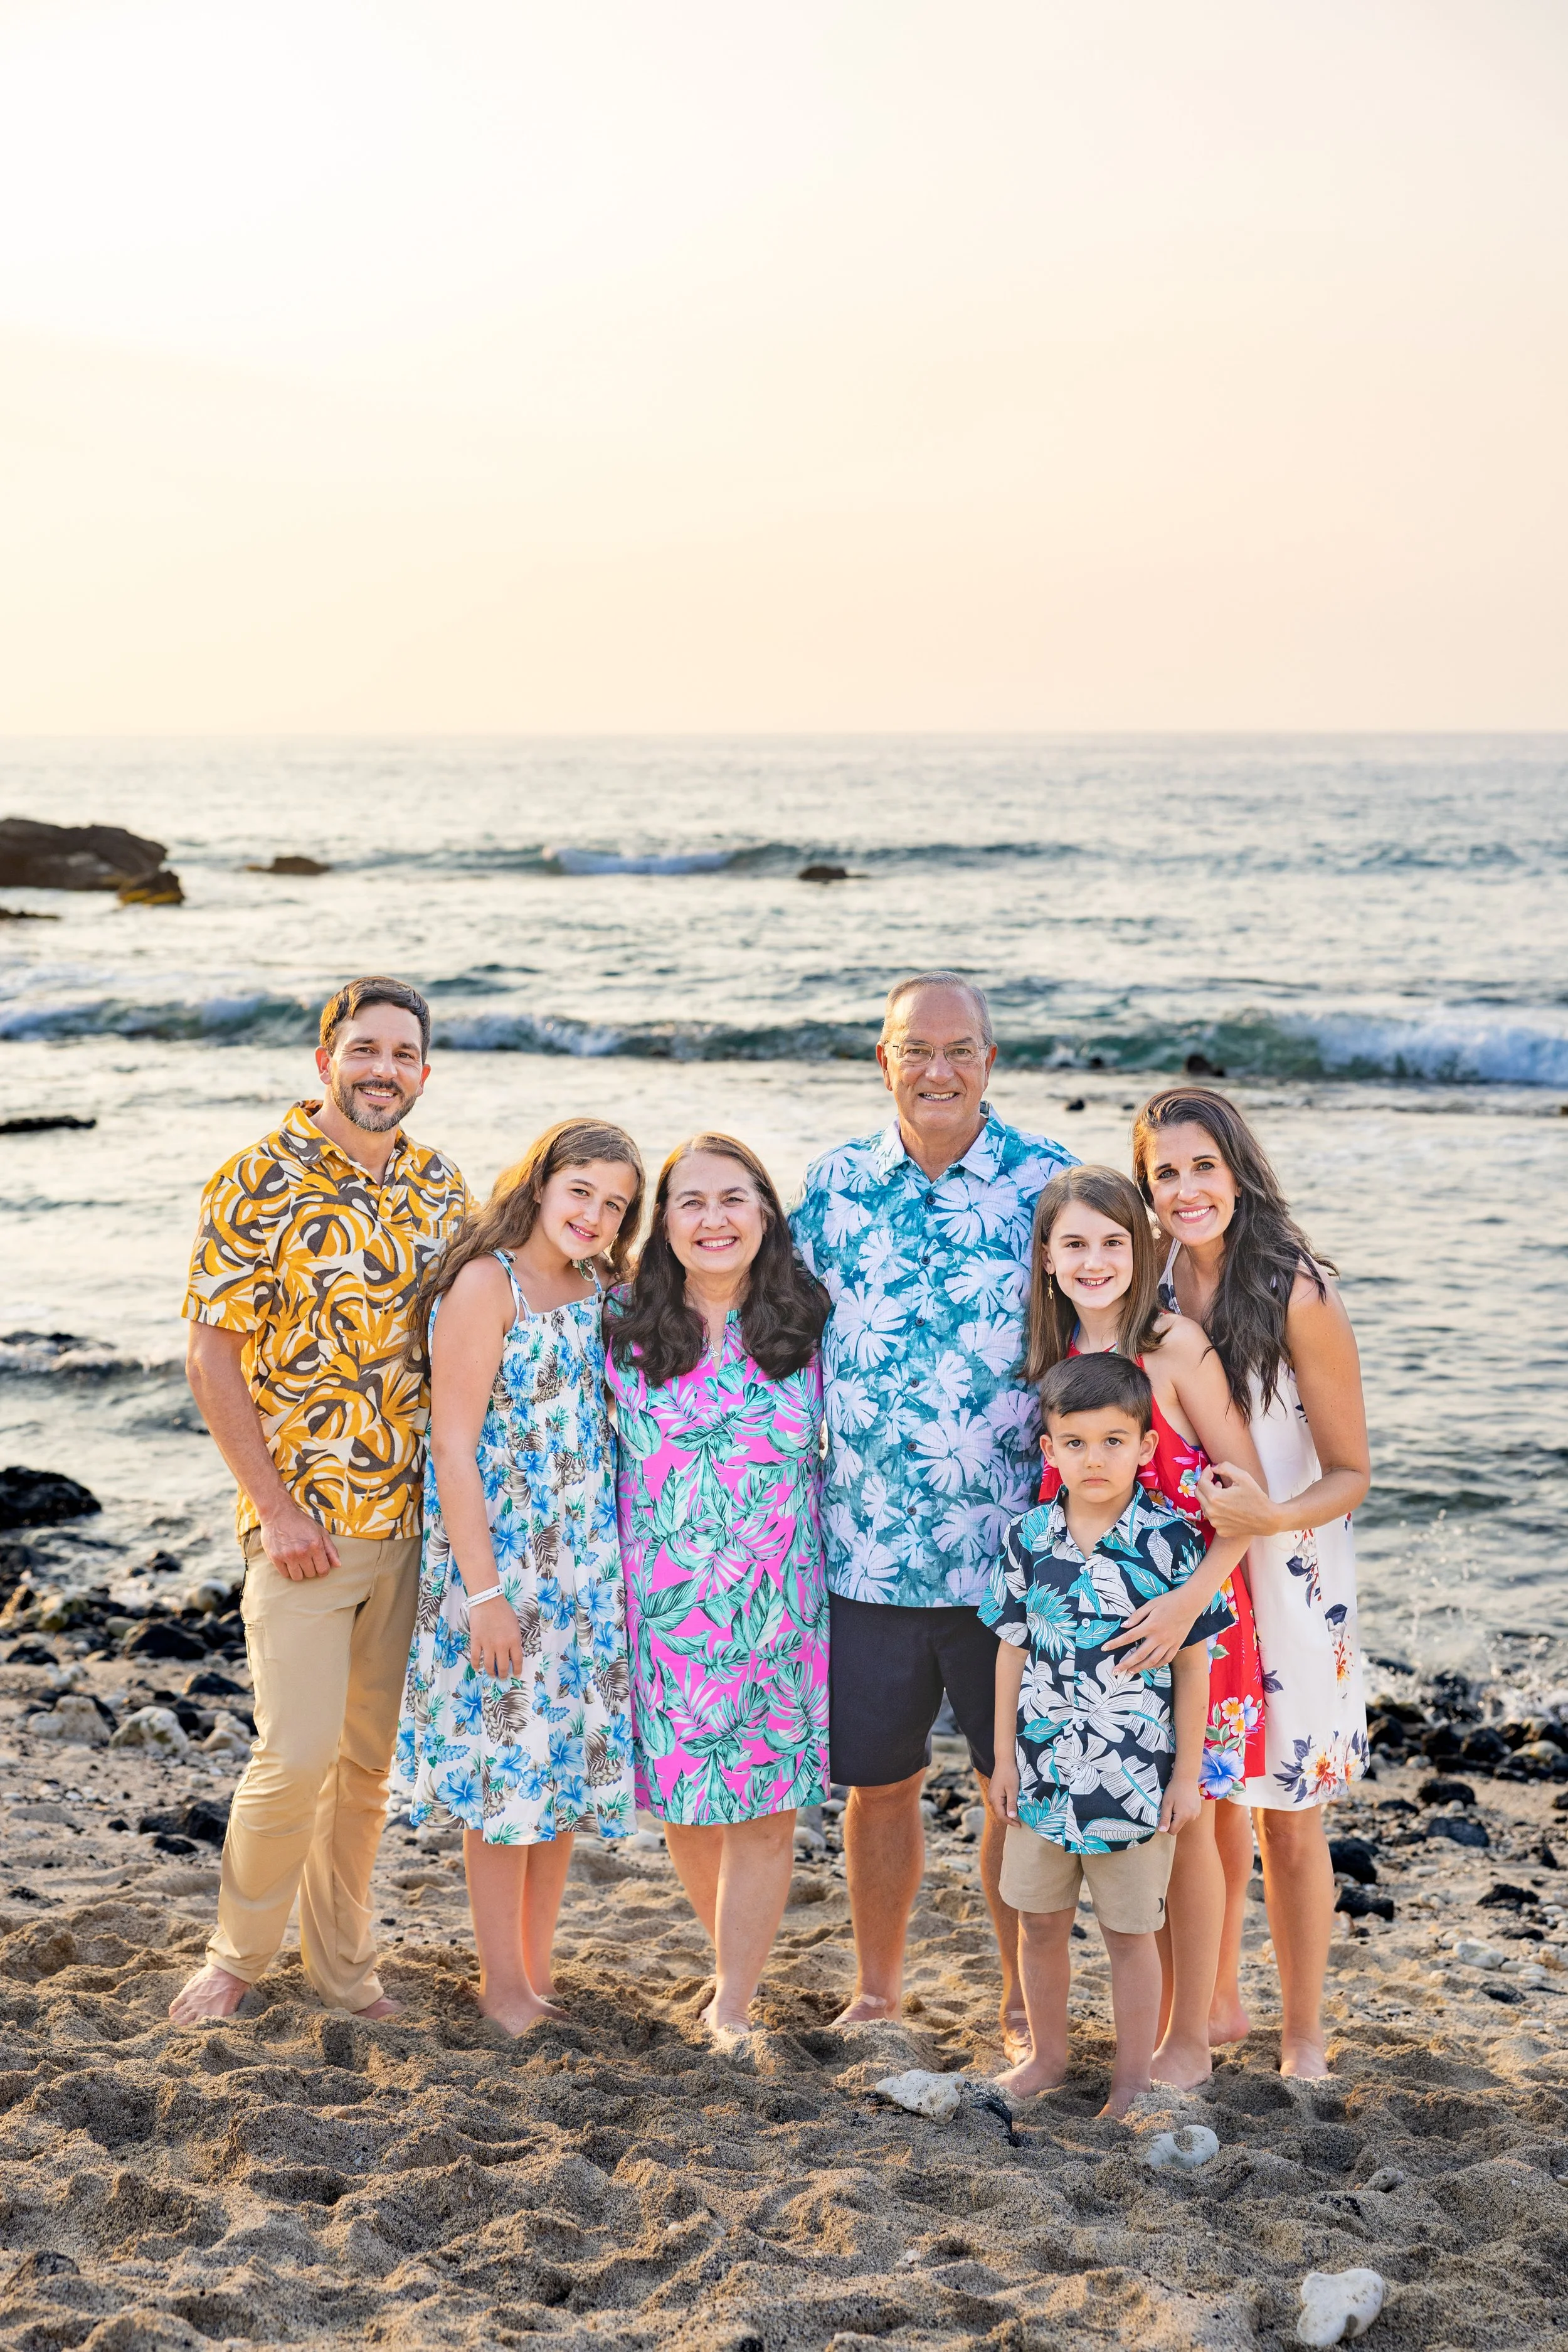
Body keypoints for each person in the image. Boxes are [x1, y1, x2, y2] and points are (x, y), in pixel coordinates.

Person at [170, 977, 472, 2025]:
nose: (383, 1069)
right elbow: (213, 1356)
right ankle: (237, 1959)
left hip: (410, 1527)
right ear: (324, 1061)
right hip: (303, 1529)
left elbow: (482, 1326)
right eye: (365, 1050)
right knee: (292, 1758)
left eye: (402, 1054)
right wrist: (275, 1507)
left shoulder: (441, 1185)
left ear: (423, 1075)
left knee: (362, 1774)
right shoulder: (255, 1180)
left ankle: (344, 1975)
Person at [790, 972, 1075, 2050]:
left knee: (1011, 1789)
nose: (938, 1070)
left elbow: (1123, 1322)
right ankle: (877, 1989)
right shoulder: (832, 1185)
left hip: (1009, 1556)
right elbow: (769, 1330)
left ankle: (1015, 2000)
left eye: (960, 1049)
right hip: (864, 1552)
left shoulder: (1050, 1184)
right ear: (885, 1060)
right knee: (879, 1787)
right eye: (917, 1050)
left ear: (990, 1062)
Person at [1133, 1086, 1371, 2080]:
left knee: (1292, 1815)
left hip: (1294, 1573)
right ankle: (1218, 2001)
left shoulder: (1295, 1291)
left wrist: (1271, 1517)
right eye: (1165, 1173)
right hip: (1196, 1575)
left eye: (1203, 1167)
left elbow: (1351, 1468)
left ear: (1237, 1170)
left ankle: (1304, 2033)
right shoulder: (1152, 1288)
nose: (1187, 1190)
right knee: (1217, 1800)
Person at [395, 1120, 644, 2034]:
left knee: (559, 1774)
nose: (595, 1212)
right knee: (507, 1780)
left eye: (616, 1201)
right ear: (541, 1183)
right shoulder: (484, 1283)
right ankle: (501, 1989)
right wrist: (487, 1595)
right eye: (582, 1189)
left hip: (584, 1570)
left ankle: (534, 1977)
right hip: (506, 1568)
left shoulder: (600, 1287)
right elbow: (452, 1450)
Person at [1024, 1163, 1268, 2087]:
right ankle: (1156, 2022)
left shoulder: (1175, 1346)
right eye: (1075, 1243)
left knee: (1194, 1820)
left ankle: (1190, 2037)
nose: (1095, 1260)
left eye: (1114, 1242)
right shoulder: (1053, 1360)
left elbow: (1247, 1496)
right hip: (1097, 1654)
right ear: (1048, 1259)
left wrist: (1188, 1599)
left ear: (1146, 1249)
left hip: (1193, 1624)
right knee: (1143, 1826)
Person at [606, 1134, 830, 2045]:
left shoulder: (809, 1320)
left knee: (767, 1807)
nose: (713, 1218)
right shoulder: (619, 1321)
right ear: (664, 1222)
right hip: (661, 1608)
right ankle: (729, 1961)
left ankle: (733, 1997)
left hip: (780, 1602)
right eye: (690, 1201)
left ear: (766, 1214)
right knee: (686, 1805)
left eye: (734, 1198)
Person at [983, 1353, 1232, 2116]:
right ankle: (1047, 2059)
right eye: (1077, 1443)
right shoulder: (1028, 1538)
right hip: (1043, 1774)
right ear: (1050, 1450)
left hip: (1133, 1777)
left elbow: (1194, 1671)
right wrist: (1002, 1760)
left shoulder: (1170, 1544)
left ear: (1145, 1447)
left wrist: (1186, 1775)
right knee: (1039, 1925)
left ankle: (1131, 2081)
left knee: (1129, 1935)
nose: (1096, 1459)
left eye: (1114, 1441)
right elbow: (1011, 1650)